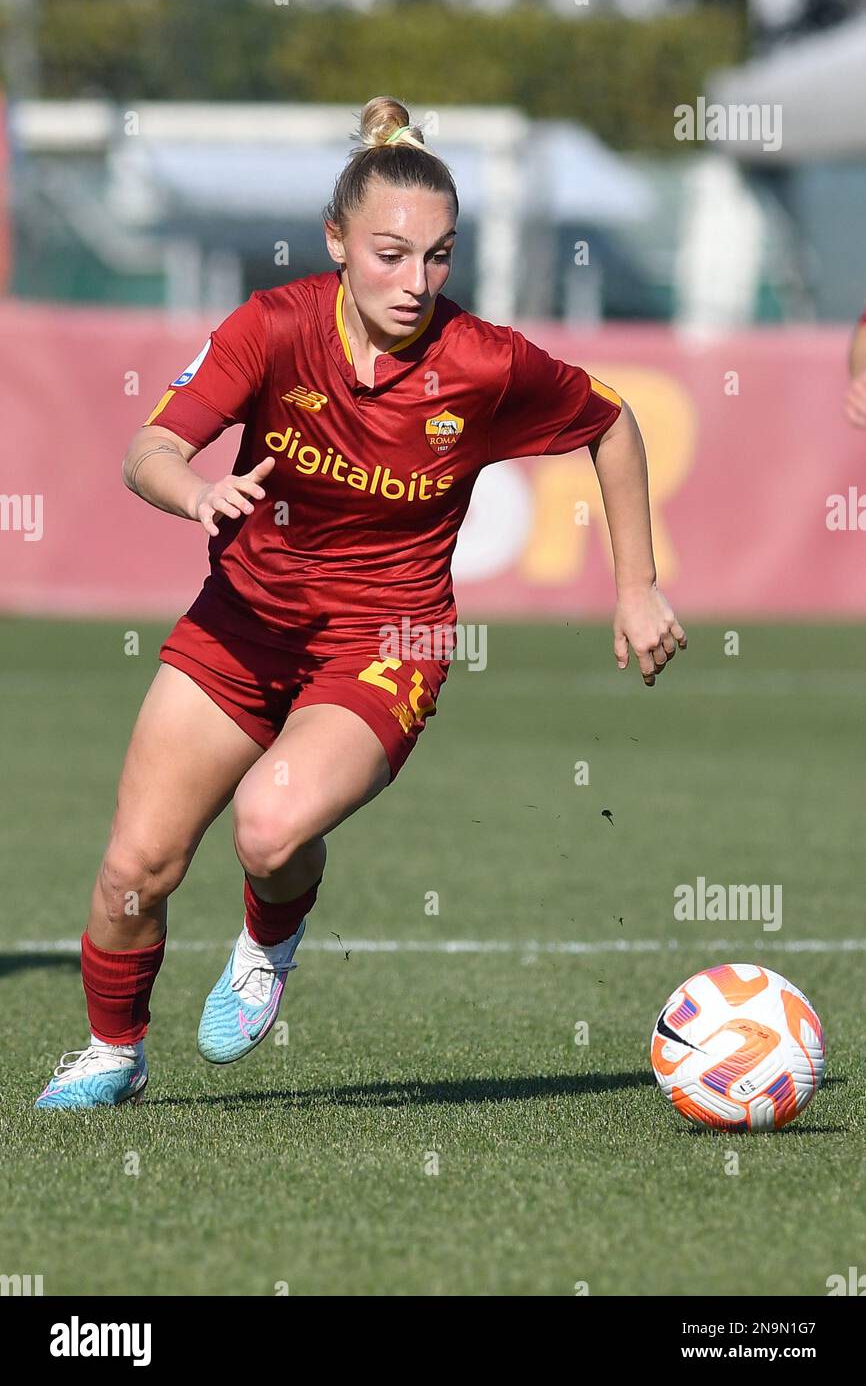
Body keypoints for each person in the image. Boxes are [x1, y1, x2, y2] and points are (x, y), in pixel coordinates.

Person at [35, 95, 687, 1110]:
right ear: (336, 240)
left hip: (390, 635)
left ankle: (267, 940)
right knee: (136, 868)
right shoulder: (271, 328)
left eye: (437, 257)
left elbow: (611, 424)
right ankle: (114, 1050)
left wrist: (636, 585)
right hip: (240, 623)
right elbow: (148, 451)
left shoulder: (484, 362)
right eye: (390, 254)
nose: (416, 282)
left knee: (269, 826)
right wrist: (200, 492)